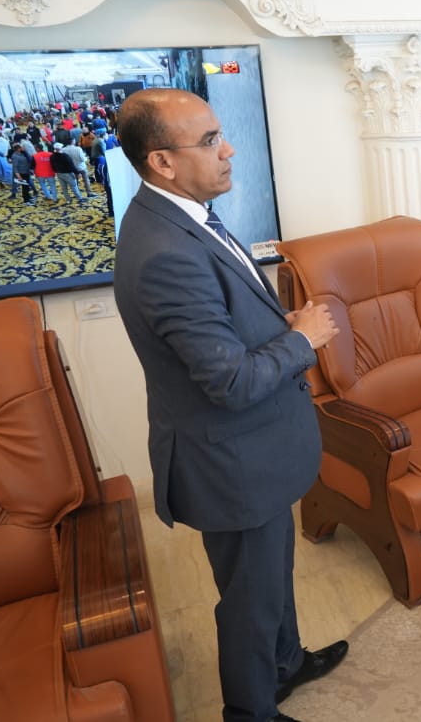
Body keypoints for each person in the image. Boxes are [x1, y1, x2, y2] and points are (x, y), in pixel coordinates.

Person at [112, 88, 348, 722]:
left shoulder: (183, 215)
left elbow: (227, 327)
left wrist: (280, 327)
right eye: (211, 140)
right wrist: (303, 339)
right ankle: (250, 711)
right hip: (231, 465)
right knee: (249, 601)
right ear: (162, 161)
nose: (229, 149)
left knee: (269, 579)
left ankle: (286, 663)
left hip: (256, 452)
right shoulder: (165, 254)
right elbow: (231, 382)